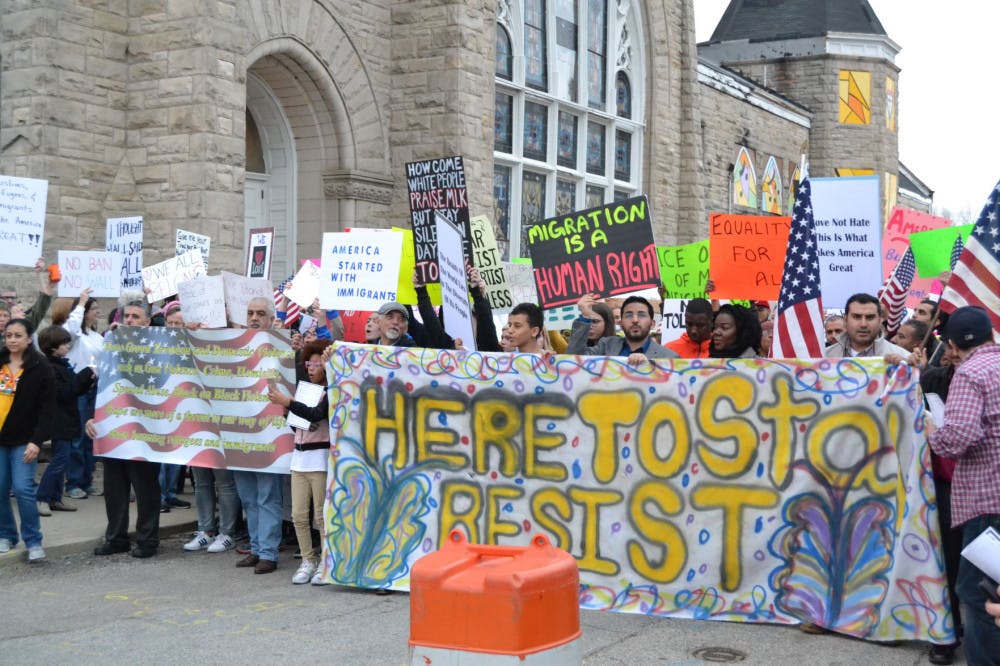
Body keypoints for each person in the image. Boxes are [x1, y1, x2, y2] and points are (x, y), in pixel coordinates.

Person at [925, 306, 1000, 665]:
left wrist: (932, 432)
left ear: (952, 345)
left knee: (978, 594)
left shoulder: (969, 374)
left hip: (988, 504)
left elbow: (959, 438)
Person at [91, 300, 162, 559]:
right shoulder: (112, 345)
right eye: (127, 316)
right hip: (114, 429)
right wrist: (93, 417)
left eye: (135, 316)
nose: (129, 320)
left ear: (147, 321)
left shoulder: (160, 346)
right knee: (114, 488)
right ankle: (116, 537)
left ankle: (147, 539)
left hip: (144, 431)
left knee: (145, 488)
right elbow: (101, 384)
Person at [268, 338, 331, 585]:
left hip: (320, 459)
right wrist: (289, 410)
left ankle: (327, 560)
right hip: (299, 458)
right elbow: (298, 425)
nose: (312, 368)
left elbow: (317, 414)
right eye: (309, 364)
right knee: (298, 514)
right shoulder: (304, 389)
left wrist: (289, 403)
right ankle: (308, 559)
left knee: (321, 516)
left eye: (317, 364)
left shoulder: (331, 391)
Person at [232, 296, 286, 574]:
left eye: (260, 313)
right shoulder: (232, 346)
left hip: (268, 436)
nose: (254, 317)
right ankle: (255, 548)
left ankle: (268, 552)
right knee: (249, 497)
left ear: (271, 320)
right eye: (250, 312)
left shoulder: (281, 348)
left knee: (267, 496)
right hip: (239, 434)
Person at [0, 319, 56, 562]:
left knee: (23, 489)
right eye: (8, 335)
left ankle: (33, 541)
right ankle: (6, 535)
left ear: (29, 339)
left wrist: (37, 441)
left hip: (26, 440)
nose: (12, 339)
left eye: (17, 335)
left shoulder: (41, 367)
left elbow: (47, 411)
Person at [35, 325, 95, 515]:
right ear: (53, 347)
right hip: (59, 420)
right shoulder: (51, 368)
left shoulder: (62, 364)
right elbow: (64, 393)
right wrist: (85, 374)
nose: (68, 346)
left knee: (64, 459)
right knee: (60, 460)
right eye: (64, 343)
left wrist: (87, 379)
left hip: (67, 419)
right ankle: (42, 497)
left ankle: (55, 498)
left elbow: (74, 390)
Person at [64, 289, 105, 499]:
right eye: (94, 309)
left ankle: (86, 479)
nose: (98, 312)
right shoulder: (75, 336)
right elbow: (71, 328)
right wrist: (81, 303)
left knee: (90, 436)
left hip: (94, 389)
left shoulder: (96, 336)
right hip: (78, 389)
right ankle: (73, 482)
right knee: (78, 437)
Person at [567, 294, 677, 364]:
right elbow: (573, 359)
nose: (635, 320)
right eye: (628, 315)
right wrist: (585, 316)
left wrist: (648, 367)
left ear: (652, 324)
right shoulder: (605, 346)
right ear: (621, 323)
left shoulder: (669, 357)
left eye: (641, 315)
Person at [157, 301, 191, 513]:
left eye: (178, 323)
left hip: (183, 406)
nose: (174, 327)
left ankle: (170, 494)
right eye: (170, 323)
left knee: (176, 456)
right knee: (161, 457)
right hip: (161, 406)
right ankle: (159, 496)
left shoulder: (191, 344)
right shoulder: (156, 344)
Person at [824, 293, 907, 358]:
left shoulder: (902, 357)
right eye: (856, 317)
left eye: (870, 317)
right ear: (845, 320)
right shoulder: (825, 357)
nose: (863, 324)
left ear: (880, 320)